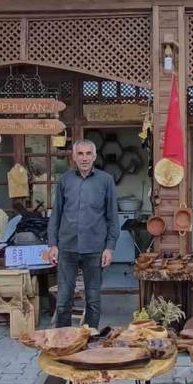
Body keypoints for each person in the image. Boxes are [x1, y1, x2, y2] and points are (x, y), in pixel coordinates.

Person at [47, 139, 118, 329]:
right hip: (67, 248)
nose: (84, 158)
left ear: (94, 156)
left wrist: (109, 248)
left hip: (94, 249)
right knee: (63, 301)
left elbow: (112, 217)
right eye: (80, 154)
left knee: (93, 300)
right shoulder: (65, 180)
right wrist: (52, 244)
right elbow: (56, 215)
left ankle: (90, 340)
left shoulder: (106, 181)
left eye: (88, 154)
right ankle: (63, 340)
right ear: (74, 157)